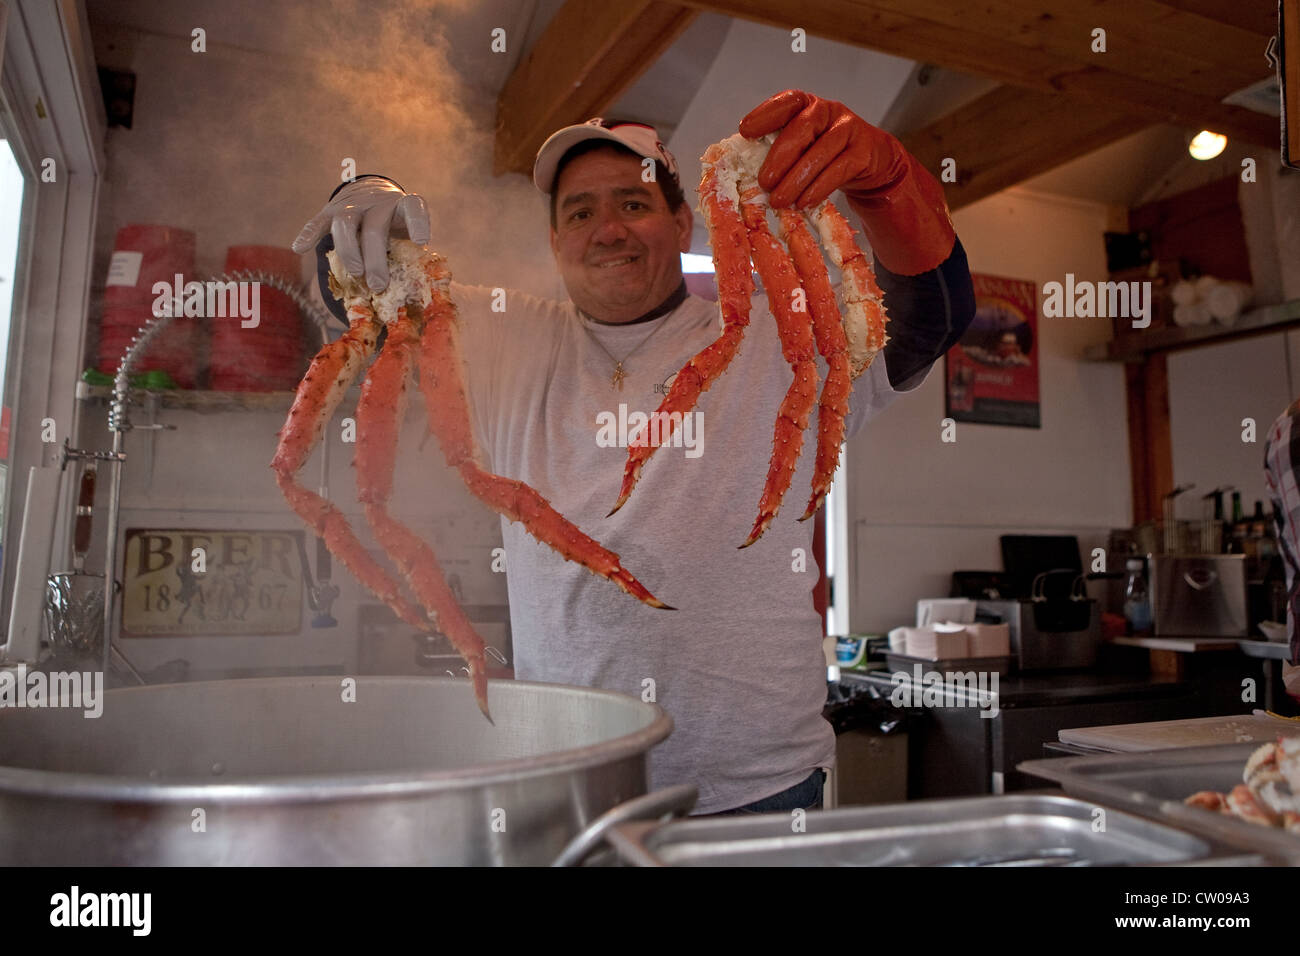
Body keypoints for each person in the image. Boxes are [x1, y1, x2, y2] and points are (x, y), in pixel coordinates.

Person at [291, 90, 976, 814]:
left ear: (683, 221)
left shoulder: (781, 333)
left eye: (634, 202)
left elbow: (932, 313)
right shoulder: (501, 340)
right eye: (579, 212)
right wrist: (361, 208)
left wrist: (889, 182)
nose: (607, 229)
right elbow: (372, 301)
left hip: (758, 789)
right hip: (571, 781)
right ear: (556, 242)